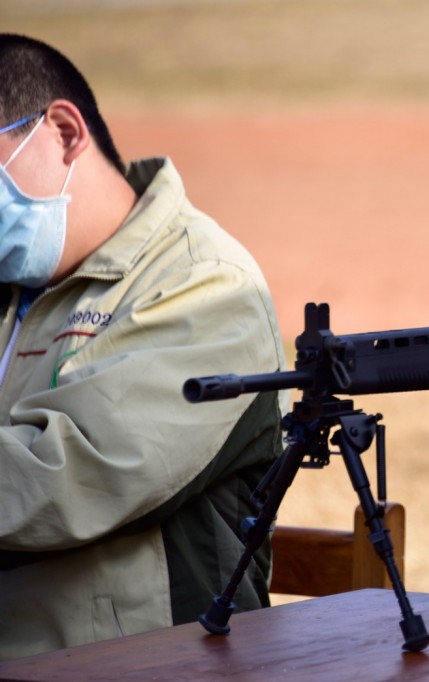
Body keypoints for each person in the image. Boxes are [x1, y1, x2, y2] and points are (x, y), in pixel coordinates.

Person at [0, 34, 287, 659]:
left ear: (64, 132)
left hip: (144, 664)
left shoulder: (206, 285)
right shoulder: (14, 282)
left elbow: (66, 474)